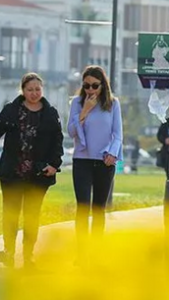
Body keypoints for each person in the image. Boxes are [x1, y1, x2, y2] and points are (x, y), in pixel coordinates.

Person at [0, 73, 64, 270]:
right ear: (23, 91)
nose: (34, 93)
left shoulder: (50, 113)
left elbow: (58, 142)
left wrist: (54, 164)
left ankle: (28, 256)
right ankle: (8, 252)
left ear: (42, 90)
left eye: (38, 89)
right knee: (11, 214)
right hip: (12, 172)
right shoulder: (12, 110)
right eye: (30, 90)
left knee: (32, 215)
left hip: (38, 174)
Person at [67, 65, 123, 265]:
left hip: (104, 162)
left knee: (98, 209)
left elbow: (118, 134)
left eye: (95, 85)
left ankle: (96, 254)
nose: (90, 90)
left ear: (103, 85)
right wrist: (85, 111)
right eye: (86, 86)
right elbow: (71, 132)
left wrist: (112, 153)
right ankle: (81, 255)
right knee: (83, 208)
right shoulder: (77, 103)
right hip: (82, 160)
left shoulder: (113, 104)